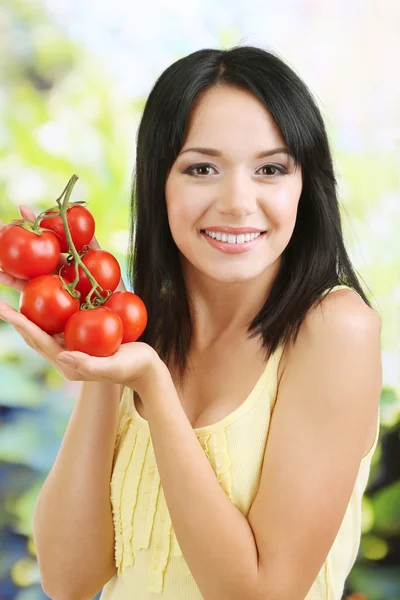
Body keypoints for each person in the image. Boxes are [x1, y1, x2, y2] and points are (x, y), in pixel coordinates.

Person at [0, 45, 382, 600]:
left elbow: (260, 594)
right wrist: (102, 352)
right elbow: (68, 579)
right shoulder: (142, 324)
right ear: (160, 183)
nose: (237, 202)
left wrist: (155, 387)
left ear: (306, 185)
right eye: (202, 168)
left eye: (271, 169)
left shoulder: (334, 330)